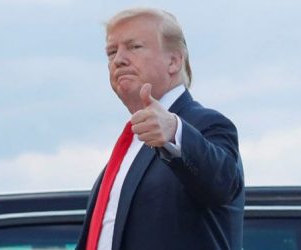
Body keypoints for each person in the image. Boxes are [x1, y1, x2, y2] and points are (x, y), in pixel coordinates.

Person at [76, 7, 244, 250]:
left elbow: (224, 184)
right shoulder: (129, 147)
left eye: (134, 47)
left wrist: (175, 132)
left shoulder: (205, 125)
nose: (119, 59)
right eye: (111, 52)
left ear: (174, 61)